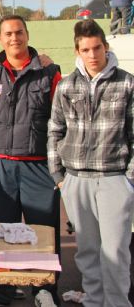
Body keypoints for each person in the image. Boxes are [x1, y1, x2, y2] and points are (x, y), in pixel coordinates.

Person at [0, 15, 61, 307]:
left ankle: (44, 290)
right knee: (0, 231)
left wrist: (58, 168)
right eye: (7, 34)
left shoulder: (49, 72)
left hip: (39, 166)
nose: (14, 38)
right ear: (0, 39)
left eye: (19, 32)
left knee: (43, 231)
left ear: (27, 34)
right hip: (1, 167)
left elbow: (61, 122)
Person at [48, 19, 134, 307]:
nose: (93, 54)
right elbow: (55, 130)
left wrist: (129, 179)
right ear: (78, 51)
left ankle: (117, 303)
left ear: (106, 47)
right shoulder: (66, 86)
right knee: (87, 251)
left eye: (97, 48)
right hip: (76, 180)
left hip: (114, 178)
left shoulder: (127, 83)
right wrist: (59, 176)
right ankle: (94, 302)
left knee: (116, 251)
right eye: (86, 49)